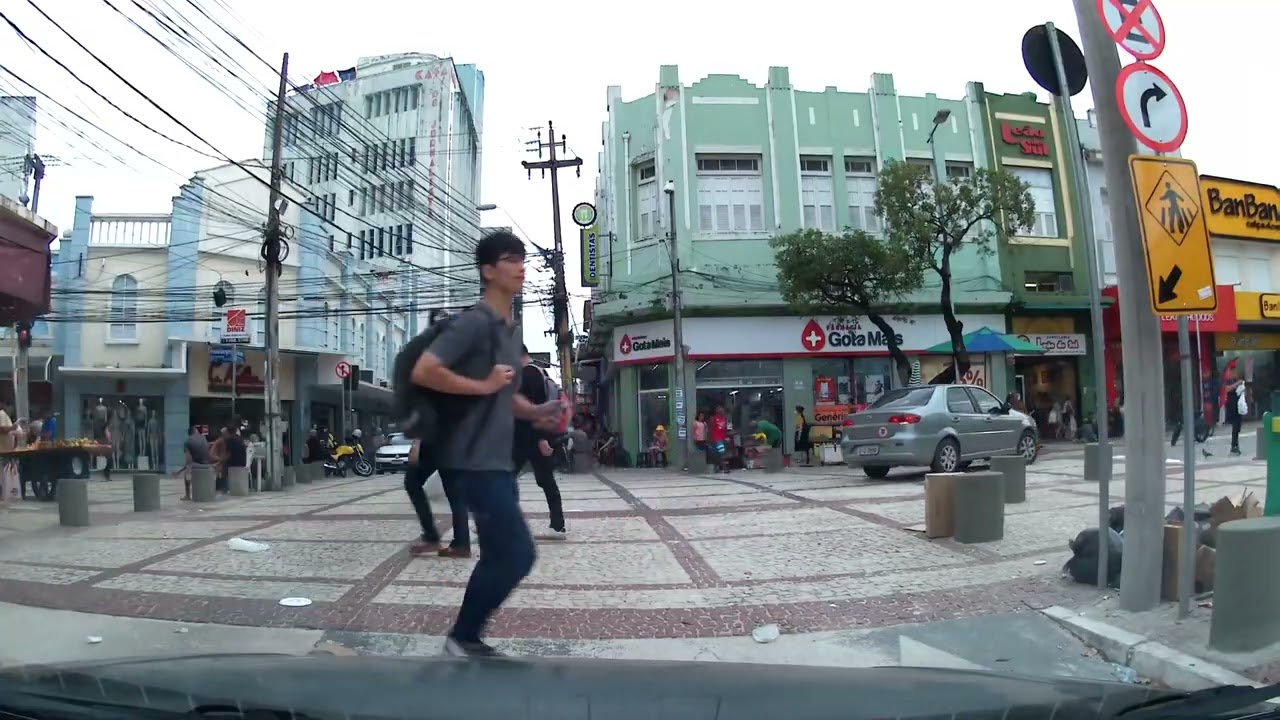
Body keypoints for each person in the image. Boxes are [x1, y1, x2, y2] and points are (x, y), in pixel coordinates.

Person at [409, 229, 562, 658]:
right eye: (510, 260)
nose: (520, 267)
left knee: (498, 554)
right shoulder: (473, 322)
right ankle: (463, 637)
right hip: (471, 459)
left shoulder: (508, 331)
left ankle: (464, 638)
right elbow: (426, 370)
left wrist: (533, 412)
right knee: (517, 554)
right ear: (488, 270)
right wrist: (483, 385)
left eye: (522, 259)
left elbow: (502, 392)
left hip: (497, 458)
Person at [513, 345, 567, 539]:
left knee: (507, 478)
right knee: (544, 480)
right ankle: (558, 525)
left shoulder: (529, 374)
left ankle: (504, 524)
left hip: (530, 437)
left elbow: (538, 407)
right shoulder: (538, 372)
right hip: (532, 437)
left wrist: (542, 438)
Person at [406, 438, 472, 558]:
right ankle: (461, 543)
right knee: (455, 492)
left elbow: (429, 419)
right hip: (452, 440)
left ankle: (433, 538)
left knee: (412, 481)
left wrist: (416, 443)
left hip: (436, 439)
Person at [175, 426, 211, 500]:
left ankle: (187, 495)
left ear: (189, 433)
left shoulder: (187, 441)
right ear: (196, 431)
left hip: (197, 464)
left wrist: (181, 470)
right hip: (207, 463)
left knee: (187, 473)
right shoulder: (203, 438)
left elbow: (188, 460)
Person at [1224, 369, 1245, 455]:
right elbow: (1227, 389)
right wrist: (1237, 384)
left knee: (1238, 426)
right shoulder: (1228, 381)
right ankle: (1234, 445)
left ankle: (1236, 444)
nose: (1235, 374)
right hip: (1232, 407)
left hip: (1238, 407)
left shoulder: (1237, 381)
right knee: (1235, 426)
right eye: (1233, 372)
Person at [709, 405, 729, 473]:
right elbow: (711, 429)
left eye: (722, 410)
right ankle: (724, 468)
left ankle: (716, 467)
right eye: (720, 410)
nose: (722, 411)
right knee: (721, 453)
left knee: (719, 453)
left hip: (722, 438)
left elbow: (725, 429)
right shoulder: (714, 419)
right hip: (716, 439)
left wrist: (726, 437)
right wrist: (711, 439)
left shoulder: (724, 419)